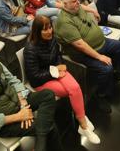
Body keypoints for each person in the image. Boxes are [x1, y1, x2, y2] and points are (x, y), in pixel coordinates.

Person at [0, 41, 63, 151]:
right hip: (4, 121)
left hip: (17, 101)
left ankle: (39, 142)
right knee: (50, 128)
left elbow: (13, 80)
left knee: (48, 94)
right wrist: (19, 116)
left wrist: (23, 104)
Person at [24, 15, 100, 144]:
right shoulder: (30, 49)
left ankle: (81, 120)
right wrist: (54, 72)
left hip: (55, 72)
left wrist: (60, 65)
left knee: (75, 88)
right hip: (41, 80)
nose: (49, 31)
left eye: (50, 28)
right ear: (37, 31)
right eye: (45, 29)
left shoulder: (52, 39)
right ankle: (83, 121)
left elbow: (57, 56)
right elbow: (34, 77)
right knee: (71, 91)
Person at [55, 0, 120, 112]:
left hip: (100, 43)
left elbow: (81, 6)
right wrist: (99, 57)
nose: (78, 3)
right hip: (81, 53)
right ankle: (101, 96)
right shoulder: (64, 22)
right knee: (105, 68)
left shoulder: (75, 7)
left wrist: (93, 10)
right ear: (65, 4)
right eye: (74, 1)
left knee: (119, 45)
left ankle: (117, 73)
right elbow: (80, 45)